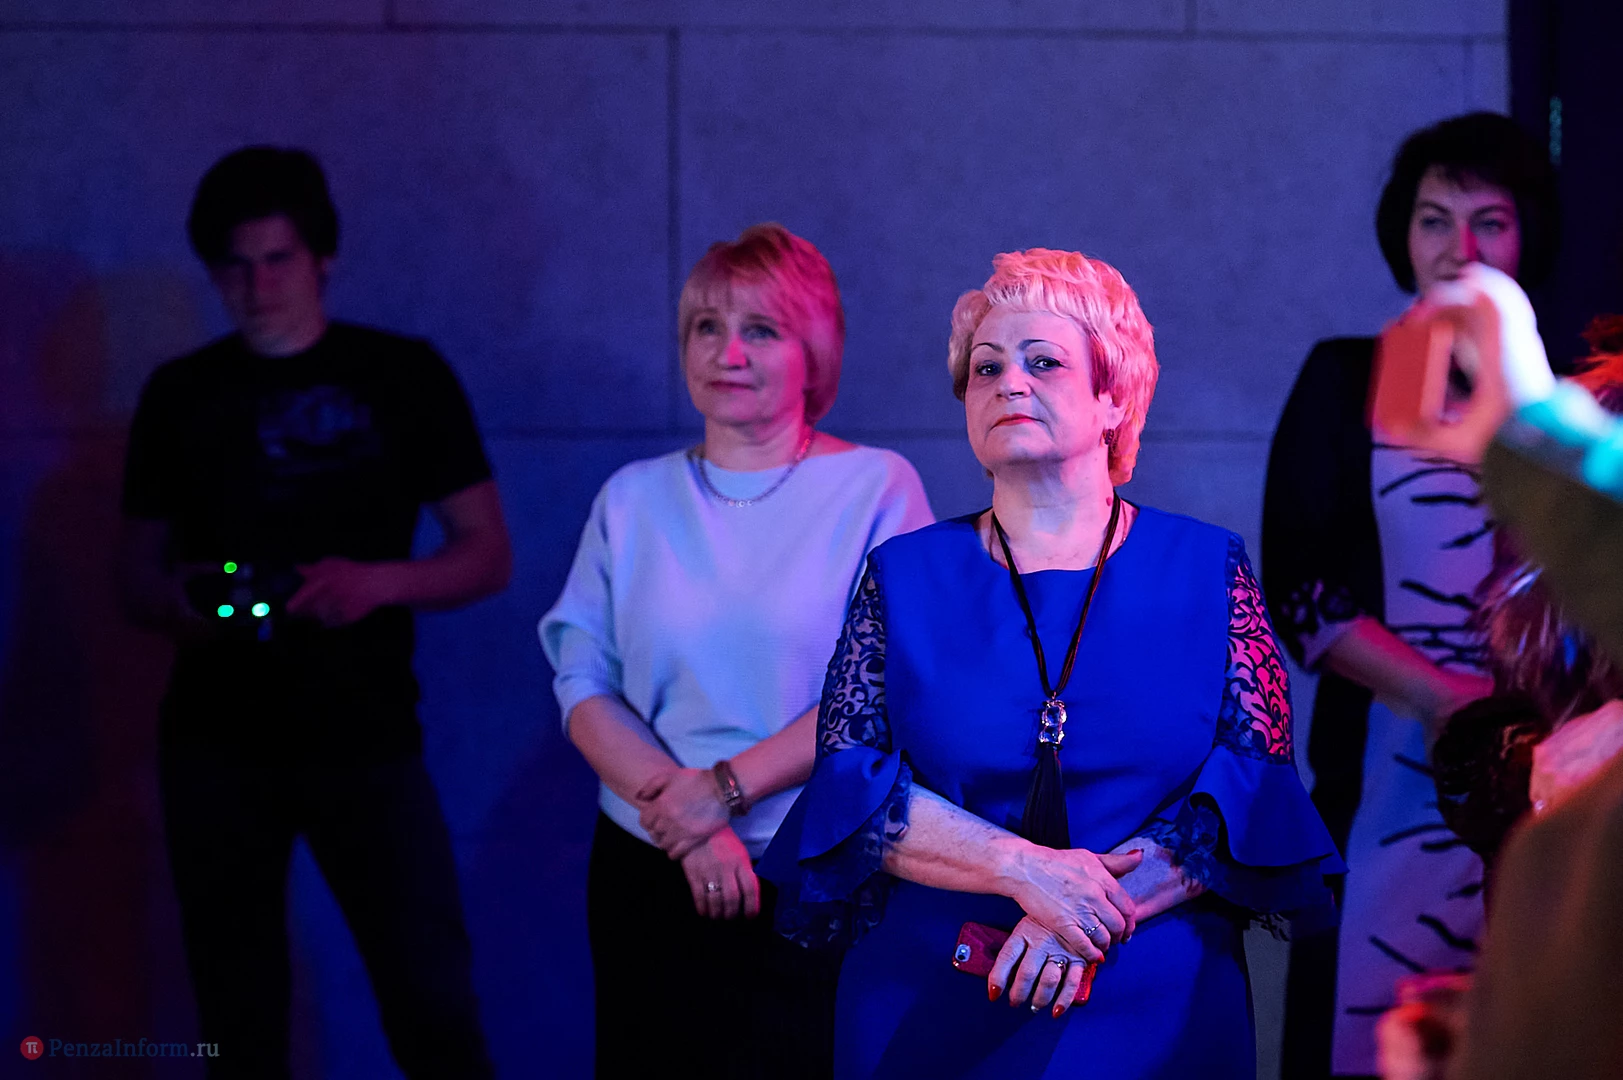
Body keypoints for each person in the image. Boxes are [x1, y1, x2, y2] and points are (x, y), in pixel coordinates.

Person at [760, 248, 1342, 1079]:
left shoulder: (1207, 568)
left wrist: (1082, 913)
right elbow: (851, 782)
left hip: (1154, 1010)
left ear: (1113, 398)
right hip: (931, 998)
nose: (1007, 383)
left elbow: (1250, 788)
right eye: (985, 367)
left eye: (1042, 362)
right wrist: (1024, 870)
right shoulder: (903, 574)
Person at [116, 147, 509, 1078]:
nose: (257, 287)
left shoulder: (400, 375)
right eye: (235, 266)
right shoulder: (180, 394)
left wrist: (374, 583)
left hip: (364, 732)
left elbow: (485, 553)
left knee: (428, 991)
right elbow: (133, 577)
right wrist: (194, 598)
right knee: (236, 1005)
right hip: (215, 740)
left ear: (321, 258)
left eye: (277, 260)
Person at [538, 223, 933, 1078]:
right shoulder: (631, 498)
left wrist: (720, 795)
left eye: (760, 328)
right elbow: (581, 677)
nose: (727, 352)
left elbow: (882, 689)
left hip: (813, 864)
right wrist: (684, 823)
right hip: (648, 855)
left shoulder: (875, 486)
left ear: (813, 351)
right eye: (705, 327)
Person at [1263, 112, 1559, 1078]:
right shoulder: (1343, 376)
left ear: (1528, 235)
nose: (1458, 248)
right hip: (1380, 772)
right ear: (1402, 233)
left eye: (1488, 221)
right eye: (1434, 220)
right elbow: (1297, 588)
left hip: (1554, 782)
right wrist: (1444, 700)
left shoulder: (1571, 392)